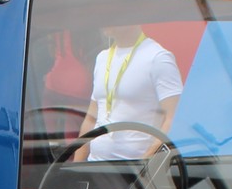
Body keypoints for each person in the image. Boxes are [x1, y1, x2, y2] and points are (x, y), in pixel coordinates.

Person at [73, 24, 183, 162]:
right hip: (96, 164)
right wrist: (75, 166)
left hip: (135, 168)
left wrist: (145, 163)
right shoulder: (102, 58)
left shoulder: (158, 57)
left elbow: (173, 118)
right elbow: (91, 118)